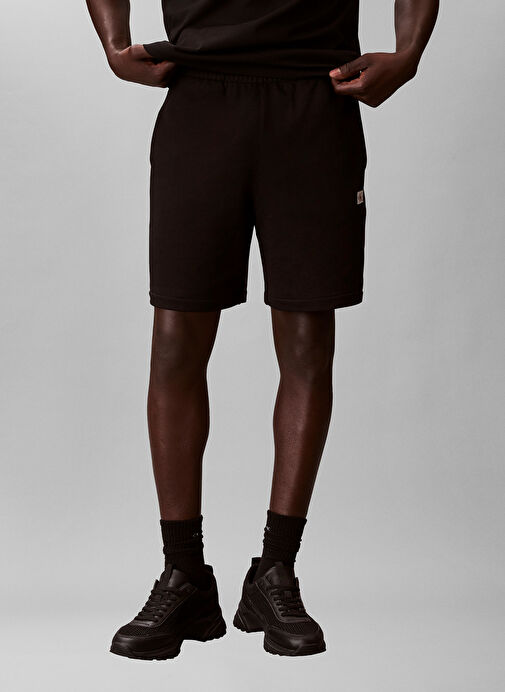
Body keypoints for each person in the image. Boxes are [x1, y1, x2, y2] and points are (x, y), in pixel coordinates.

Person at [86, 0, 439, 659]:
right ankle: (183, 575)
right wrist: (114, 43)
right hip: (200, 99)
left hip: (314, 97)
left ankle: (275, 571)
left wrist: (409, 53)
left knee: (307, 342)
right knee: (175, 340)